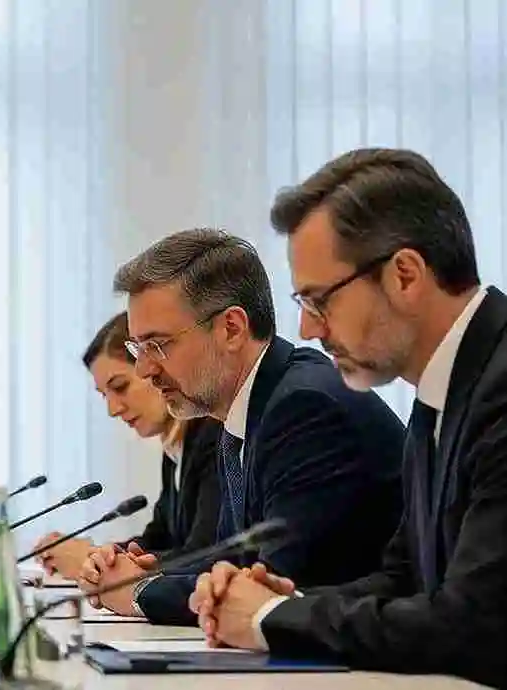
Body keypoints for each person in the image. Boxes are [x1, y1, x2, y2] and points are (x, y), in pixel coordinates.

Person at [190, 148, 507, 687]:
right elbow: (405, 580)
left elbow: (474, 625)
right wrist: (283, 603)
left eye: (319, 301)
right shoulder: (441, 393)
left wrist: (270, 618)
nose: (309, 330)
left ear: (405, 275)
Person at [80, 228, 404, 626]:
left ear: (231, 328)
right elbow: (231, 562)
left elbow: (268, 584)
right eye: (138, 350)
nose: (146, 369)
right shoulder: (243, 412)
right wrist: (147, 574)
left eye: (157, 345)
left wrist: (137, 590)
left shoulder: (304, 408)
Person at [35, 312, 222, 577]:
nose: (112, 409)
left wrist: (90, 560)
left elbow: (203, 556)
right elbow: (159, 541)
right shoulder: (176, 446)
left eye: (120, 387)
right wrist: (99, 556)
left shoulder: (214, 436)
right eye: (104, 396)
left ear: (154, 368)